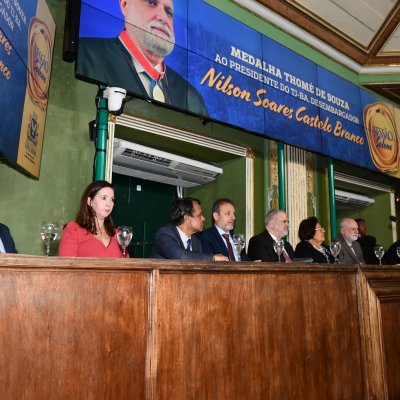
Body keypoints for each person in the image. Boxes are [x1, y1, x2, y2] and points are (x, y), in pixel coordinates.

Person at [77, 0, 207, 115]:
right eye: (151, 2)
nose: (163, 17)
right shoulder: (85, 54)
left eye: (169, 12)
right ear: (125, 5)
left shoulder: (191, 98)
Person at [59, 180, 127, 258]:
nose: (109, 204)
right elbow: (66, 266)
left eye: (112, 199)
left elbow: (127, 266)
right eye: (103, 198)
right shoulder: (74, 230)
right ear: (90, 201)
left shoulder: (118, 234)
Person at [151, 197, 228, 260]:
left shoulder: (196, 242)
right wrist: (212, 258)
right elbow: (180, 257)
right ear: (187, 218)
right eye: (199, 215)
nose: (203, 218)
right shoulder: (164, 235)